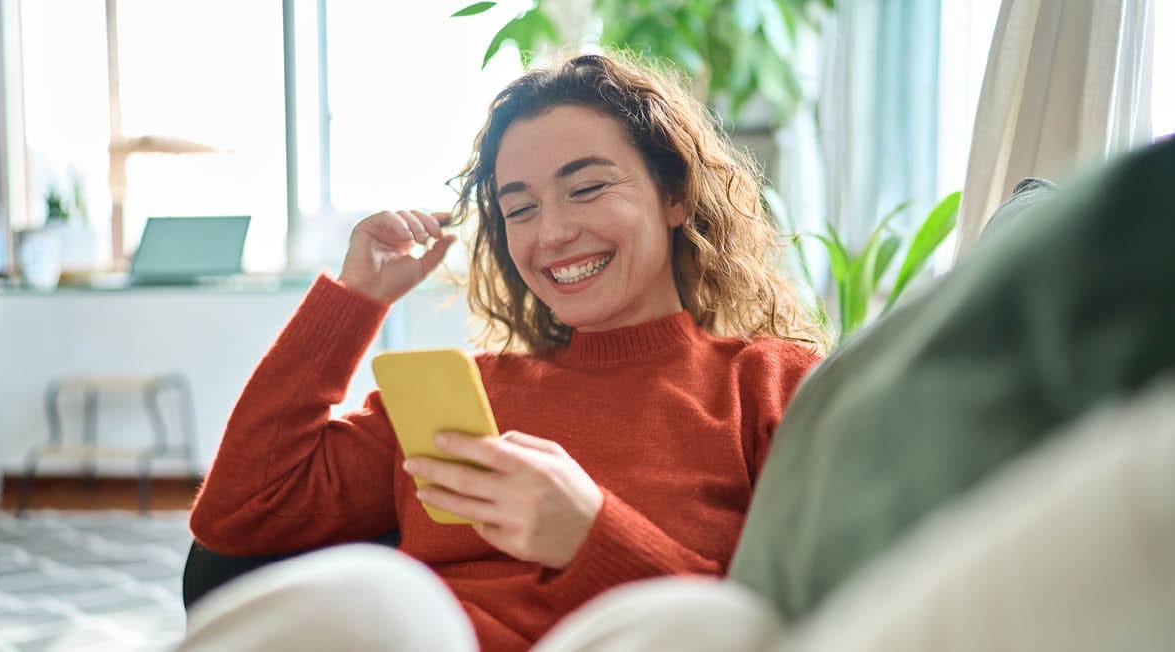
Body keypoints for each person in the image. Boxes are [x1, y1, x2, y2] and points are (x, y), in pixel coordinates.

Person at [183, 52, 825, 651]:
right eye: (520, 209)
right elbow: (238, 515)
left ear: (675, 194)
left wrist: (591, 536)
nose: (553, 233)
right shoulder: (465, 398)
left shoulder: (770, 385)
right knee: (372, 594)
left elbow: (795, 622)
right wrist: (354, 300)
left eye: (587, 188)